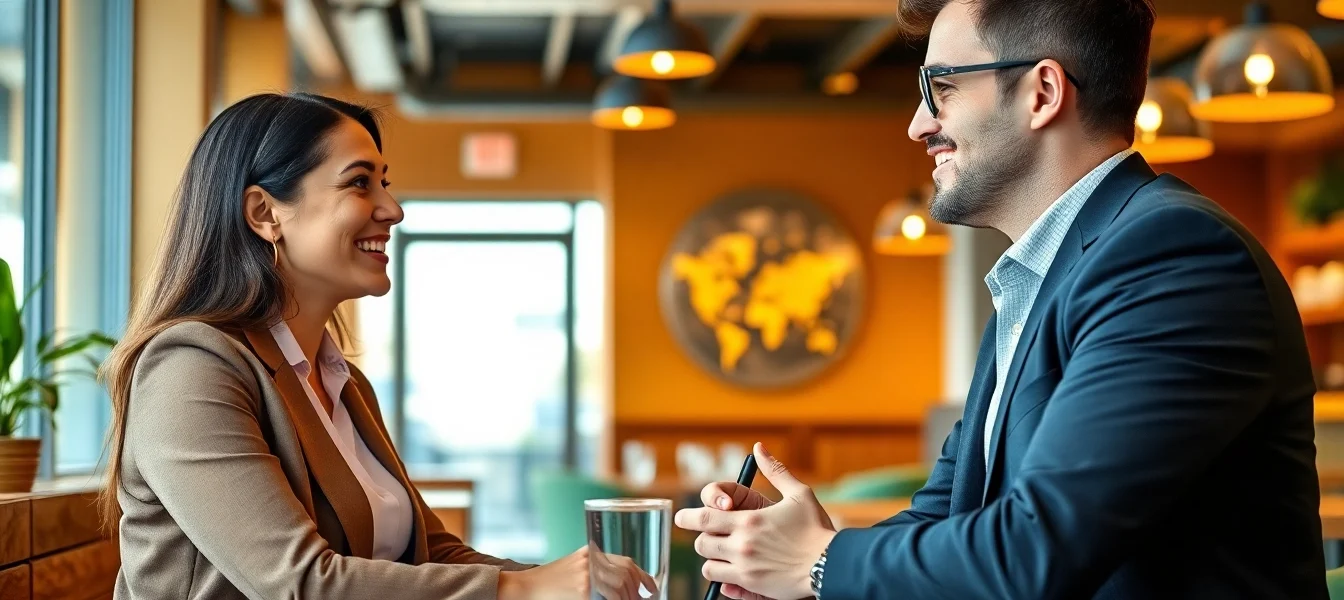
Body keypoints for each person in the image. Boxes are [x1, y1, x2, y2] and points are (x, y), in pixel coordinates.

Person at [674, 1, 1327, 598]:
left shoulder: (1172, 256)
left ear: (1042, 93)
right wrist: (797, 550)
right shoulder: (1041, 278)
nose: (917, 125)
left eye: (942, 88)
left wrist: (820, 563)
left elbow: (1035, 551)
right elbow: (949, 516)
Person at [100, 92, 654, 600]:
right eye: (360, 183)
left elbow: (433, 554)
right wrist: (524, 590)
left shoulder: (342, 382)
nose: (392, 208)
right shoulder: (190, 368)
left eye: (384, 182)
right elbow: (300, 583)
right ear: (265, 213)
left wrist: (569, 581)